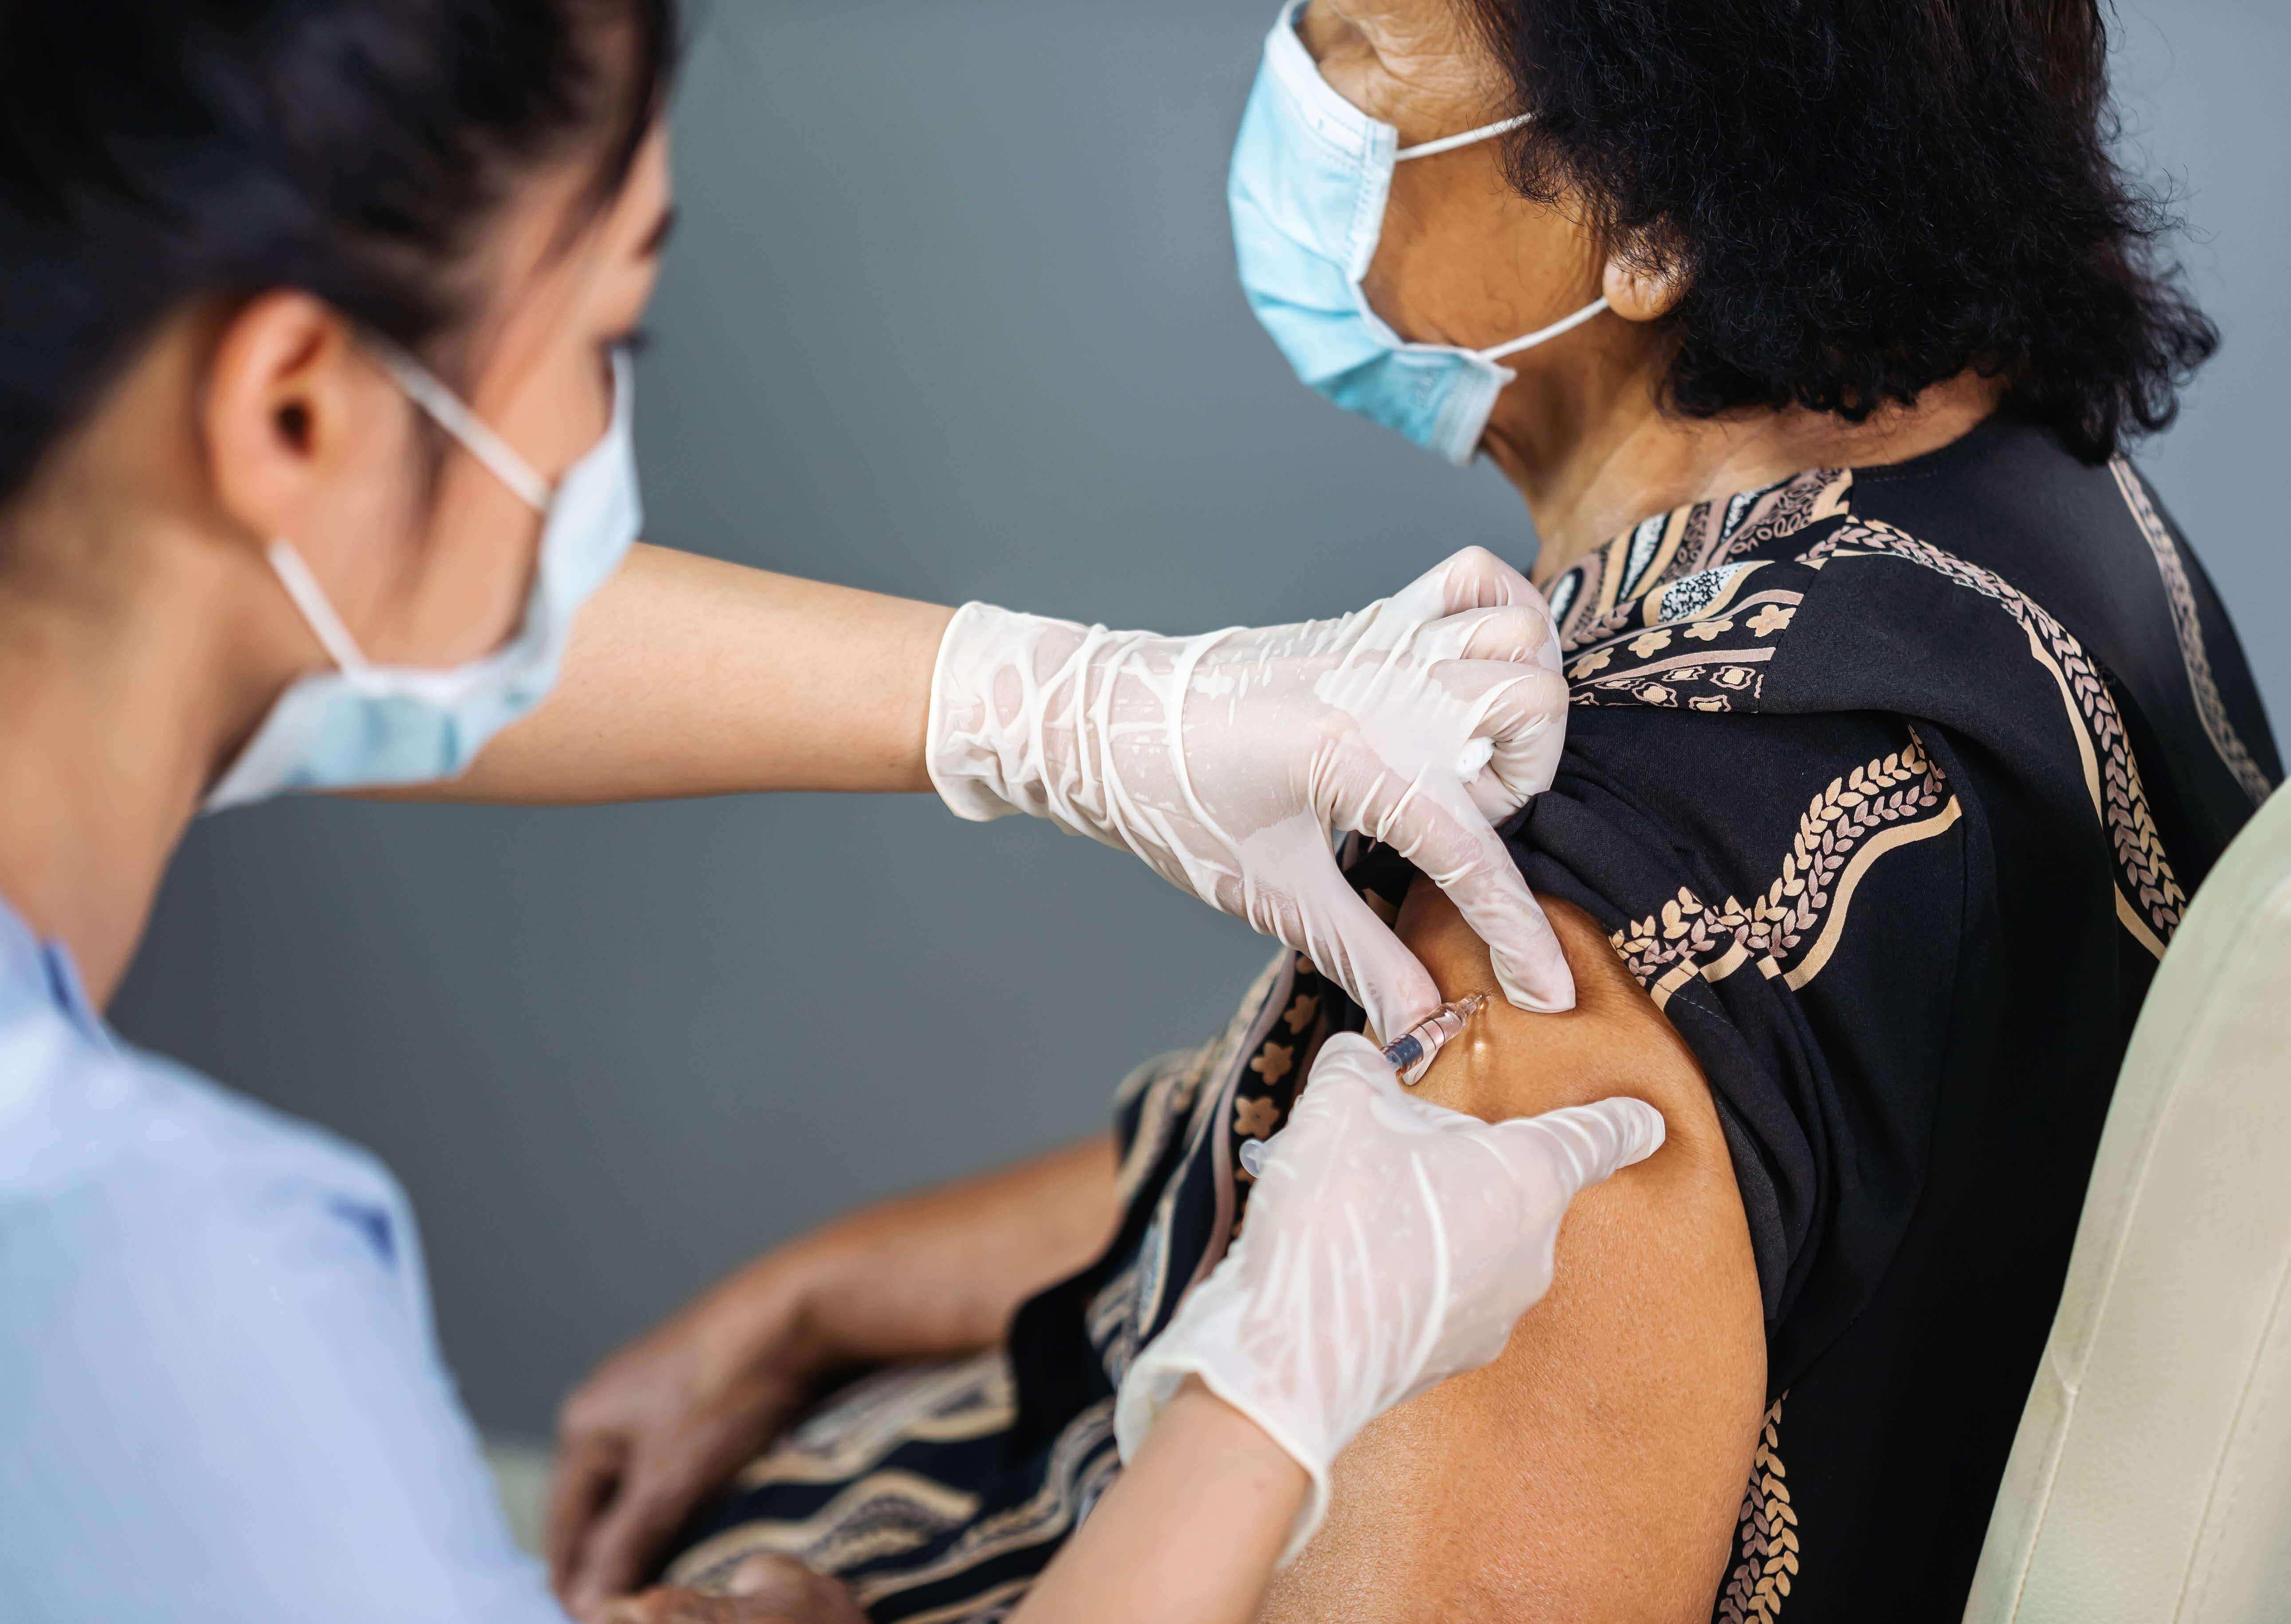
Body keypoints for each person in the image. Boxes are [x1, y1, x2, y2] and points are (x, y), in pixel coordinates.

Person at [0, 1, 1650, 1620]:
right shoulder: (116, 1299)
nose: (595, 443)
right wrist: (1257, 1409)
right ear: (296, 410)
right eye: (606, 334)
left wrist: (1066, 708)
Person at [549, 0, 2279, 1619]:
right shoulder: (2027, 514)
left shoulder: (1572, 912)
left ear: (1655, 213)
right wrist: (820, 1294)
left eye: (1360, 42)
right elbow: (1312, 1190)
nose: (1295, 78)